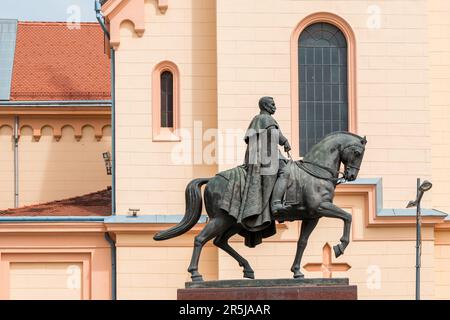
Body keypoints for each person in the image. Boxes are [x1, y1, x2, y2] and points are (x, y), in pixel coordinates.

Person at [239, 96, 292, 230]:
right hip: (267, 157)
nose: (275, 107)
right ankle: (276, 203)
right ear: (265, 106)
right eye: (272, 104)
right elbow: (275, 135)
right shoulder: (265, 119)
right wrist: (285, 141)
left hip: (269, 155)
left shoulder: (259, 119)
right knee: (285, 171)